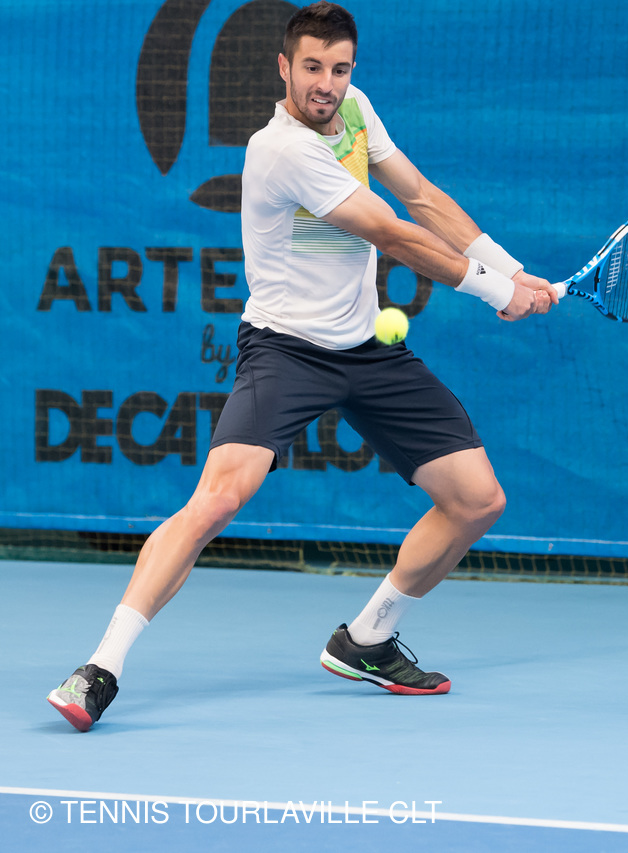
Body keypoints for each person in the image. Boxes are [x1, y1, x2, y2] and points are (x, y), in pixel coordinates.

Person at [47, 1, 557, 732]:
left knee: (477, 500)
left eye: (339, 68)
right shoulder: (280, 149)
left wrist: (512, 268)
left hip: (367, 346)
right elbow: (391, 231)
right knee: (218, 501)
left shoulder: (356, 110)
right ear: (283, 68)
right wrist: (497, 292)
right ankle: (101, 666)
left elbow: (420, 195)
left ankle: (367, 639)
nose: (326, 83)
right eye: (312, 67)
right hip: (286, 349)